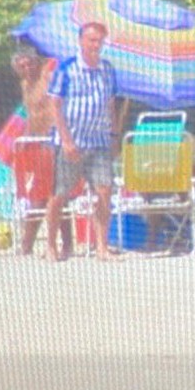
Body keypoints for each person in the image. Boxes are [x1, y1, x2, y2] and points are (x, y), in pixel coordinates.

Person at [44, 22, 120, 262]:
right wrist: (66, 140)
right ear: (81, 41)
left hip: (99, 141)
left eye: (99, 41)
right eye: (91, 40)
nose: (96, 45)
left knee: (104, 190)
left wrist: (114, 135)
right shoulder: (66, 69)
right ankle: (50, 245)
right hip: (72, 141)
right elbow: (55, 106)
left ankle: (102, 246)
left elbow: (111, 104)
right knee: (60, 194)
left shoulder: (107, 70)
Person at [10, 46, 73, 256]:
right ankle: (65, 244)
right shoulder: (25, 84)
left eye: (30, 64)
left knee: (46, 194)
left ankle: (28, 245)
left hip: (54, 139)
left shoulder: (48, 74)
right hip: (36, 141)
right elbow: (32, 114)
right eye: (22, 66)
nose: (27, 69)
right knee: (51, 194)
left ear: (37, 62)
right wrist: (25, 139)